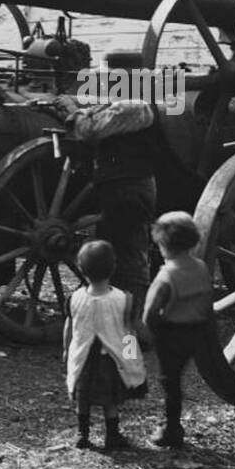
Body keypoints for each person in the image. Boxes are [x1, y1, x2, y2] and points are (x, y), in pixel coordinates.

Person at [64, 51, 160, 335]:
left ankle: (134, 327)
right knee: (116, 253)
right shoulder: (122, 104)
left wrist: (71, 109)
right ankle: (115, 322)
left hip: (131, 189)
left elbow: (91, 128)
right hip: (118, 187)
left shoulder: (136, 107)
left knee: (130, 257)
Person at [62, 240, 147, 451]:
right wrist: (131, 354)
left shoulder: (75, 298)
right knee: (110, 401)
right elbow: (130, 329)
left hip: (84, 359)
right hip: (110, 360)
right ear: (113, 267)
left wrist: (66, 350)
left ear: (81, 270)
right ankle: (112, 436)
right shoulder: (123, 299)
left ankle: (83, 435)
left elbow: (69, 327)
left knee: (83, 399)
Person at [141, 211, 213, 449]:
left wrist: (151, 333)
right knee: (175, 379)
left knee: (169, 382)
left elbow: (149, 313)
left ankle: (172, 428)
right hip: (196, 330)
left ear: (162, 244)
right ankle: (172, 424)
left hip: (171, 332)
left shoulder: (166, 276)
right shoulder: (201, 267)